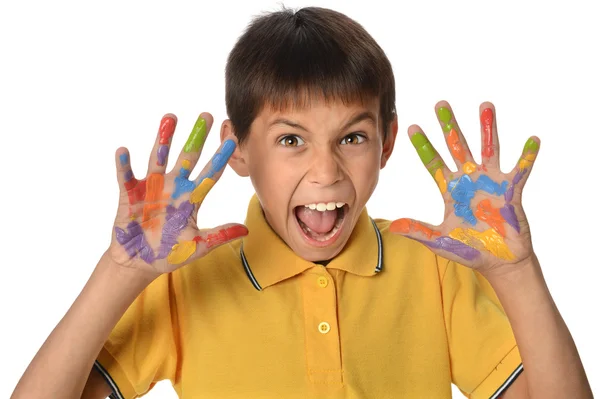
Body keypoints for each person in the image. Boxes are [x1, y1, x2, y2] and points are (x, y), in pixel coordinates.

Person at [10, 6, 593, 399]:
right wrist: (120, 272)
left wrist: (516, 274)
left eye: (352, 137)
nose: (325, 170)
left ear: (387, 143)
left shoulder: (434, 268)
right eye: (291, 140)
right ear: (238, 152)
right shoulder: (186, 277)